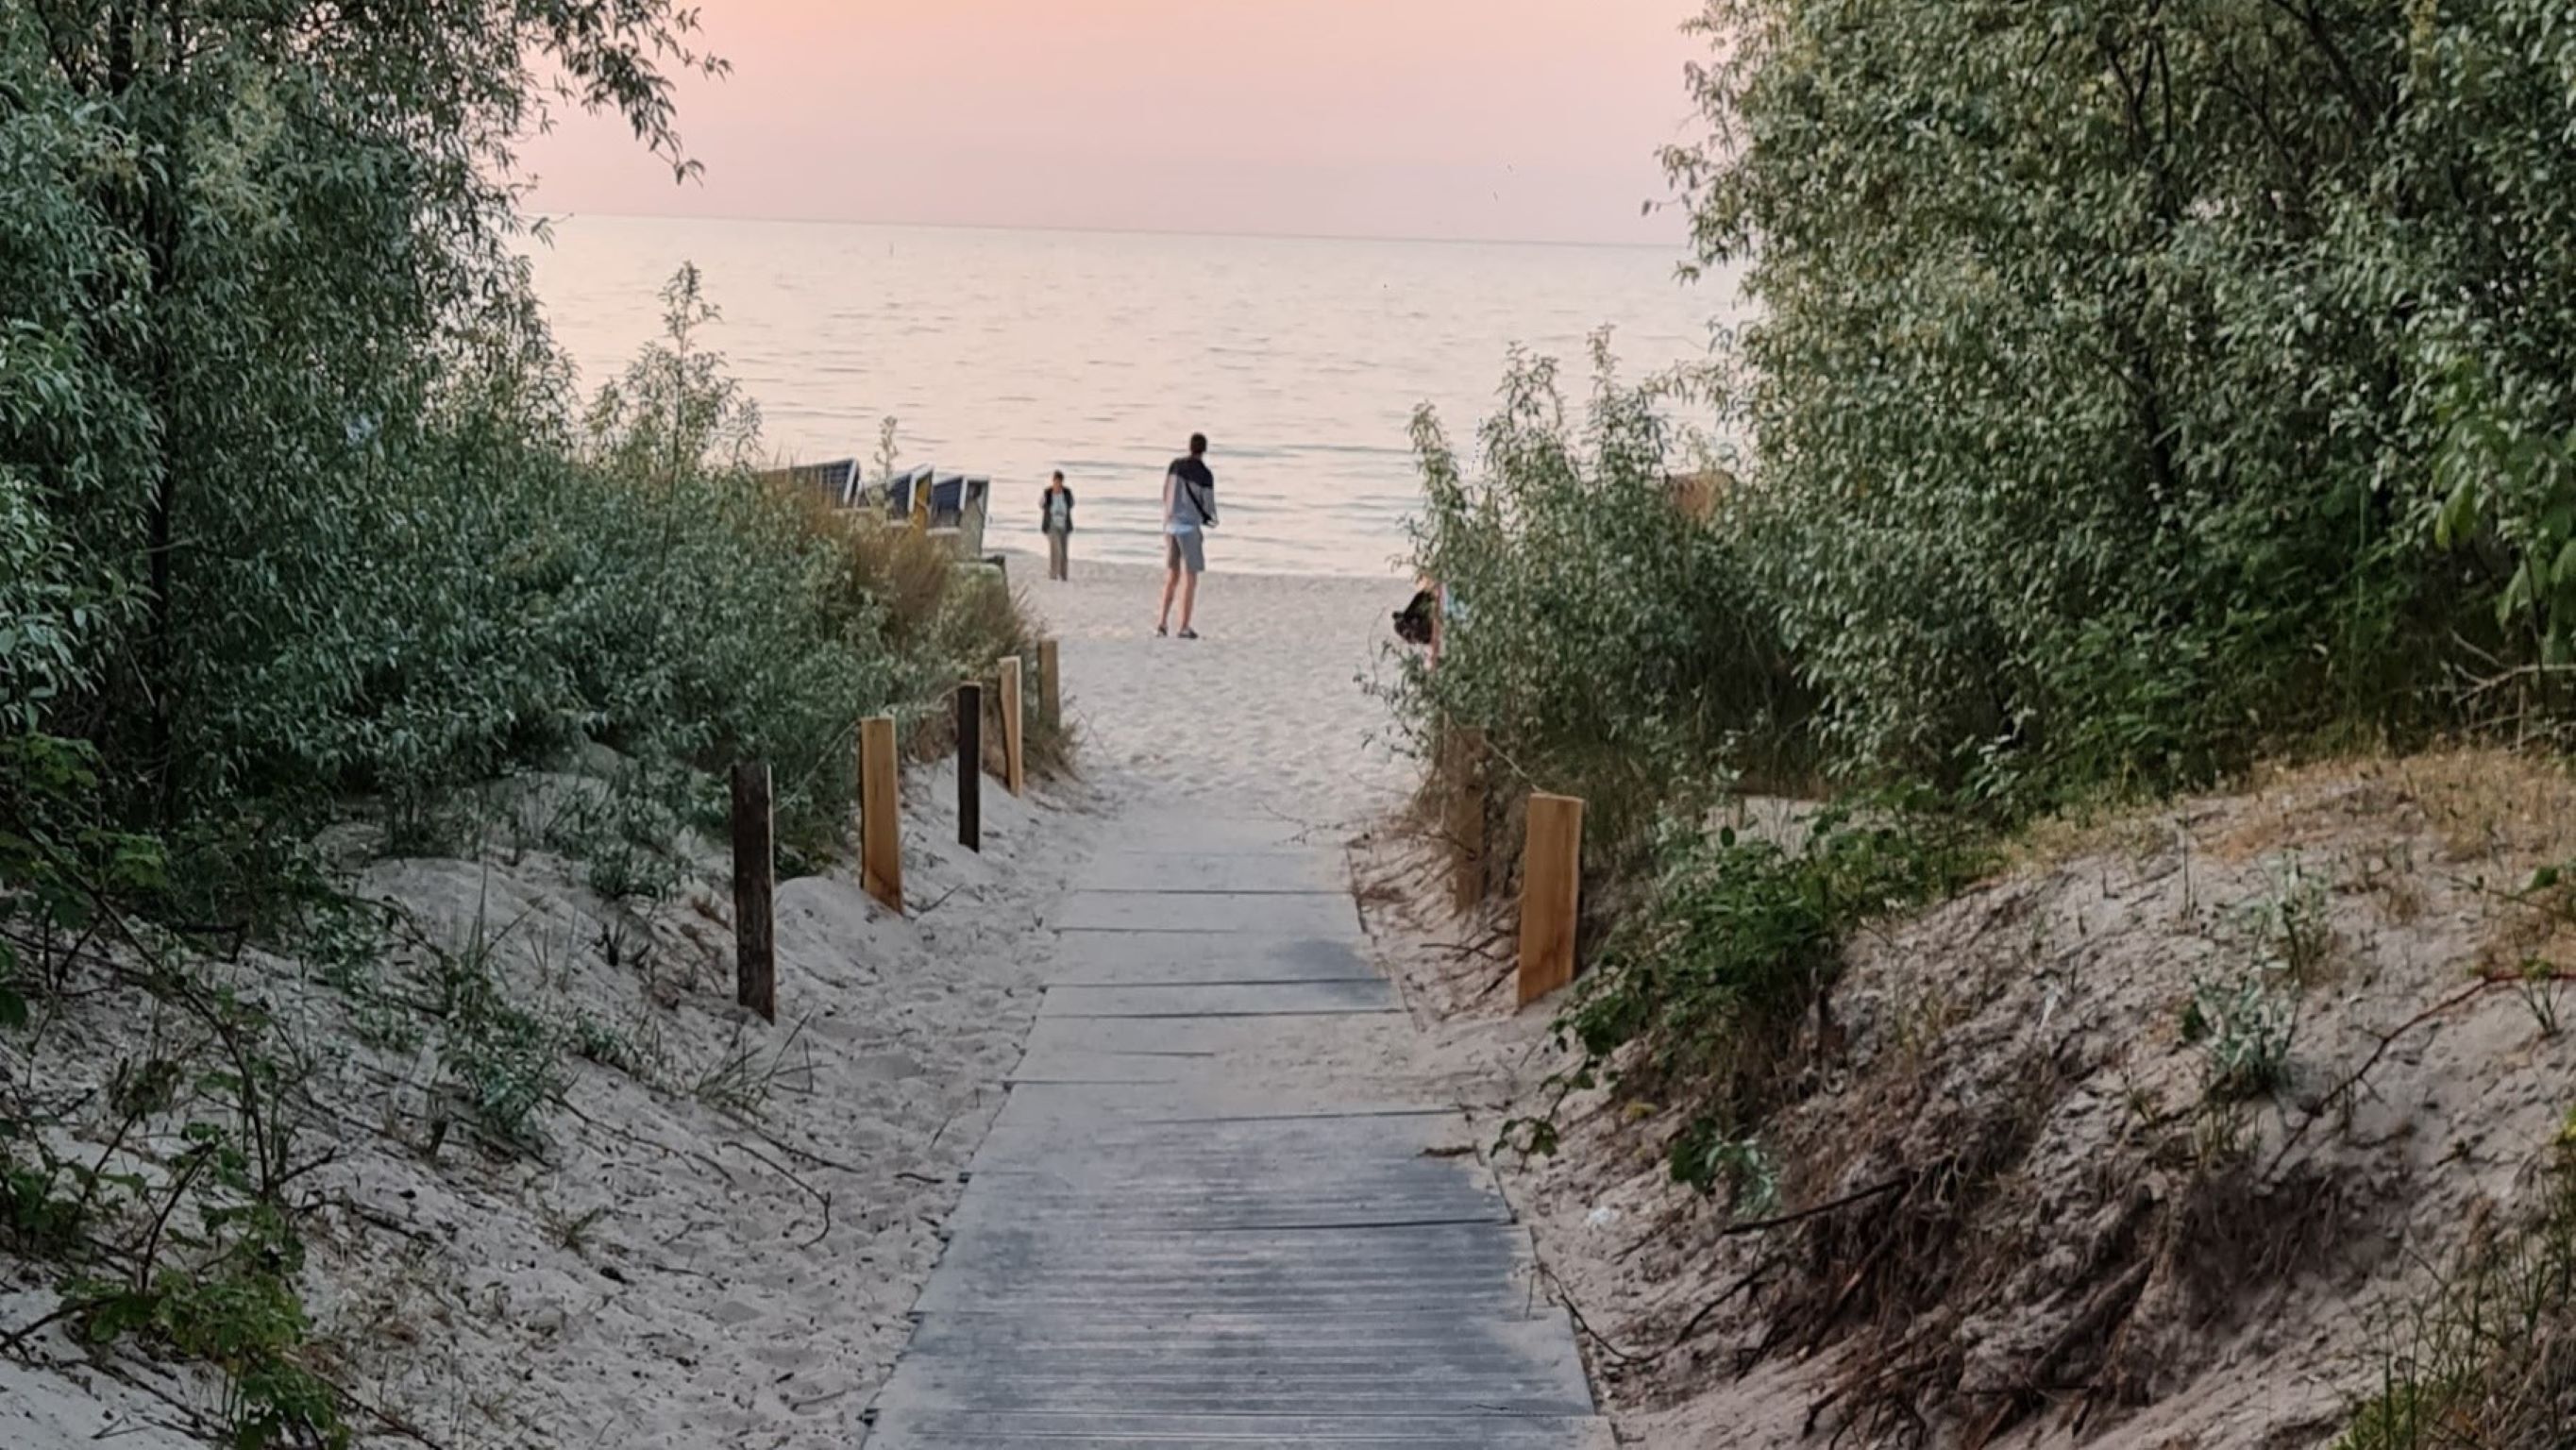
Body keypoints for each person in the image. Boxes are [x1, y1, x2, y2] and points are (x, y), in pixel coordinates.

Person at [1155, 432, 1217, 638]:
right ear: (1204, 450)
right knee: (1190, 578)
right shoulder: (1205, 474)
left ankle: (1162, 623)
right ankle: (1184, 625)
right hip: (1189, 527)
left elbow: (1165, 492)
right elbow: (1208, 506)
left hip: (1170, 524)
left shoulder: (1175, 466)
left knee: (1172, 575)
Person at [1039, 470, 1075, 581]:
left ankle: (1063, 575)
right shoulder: (1047, 493)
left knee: (1064, 552)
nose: (1058, 484)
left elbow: (1072, 503)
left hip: (1064, 524)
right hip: (1052, 525)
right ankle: (1053, 574)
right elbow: (1041, 504)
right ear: (1053, 481)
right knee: (1056, 550)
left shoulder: (1067, 492)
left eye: (1059, 482)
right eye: (1056, 481)